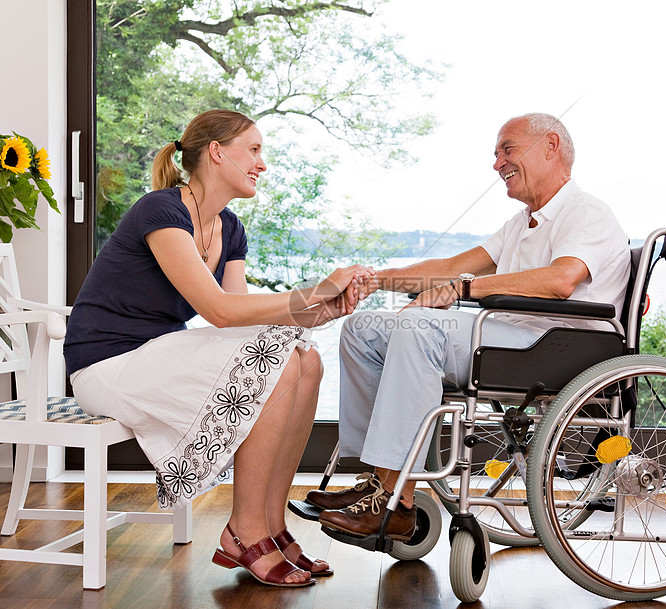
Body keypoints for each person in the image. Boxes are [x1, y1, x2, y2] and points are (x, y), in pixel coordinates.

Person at [63, 109, 372, 588]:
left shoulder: (230, 227)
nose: (262, 164)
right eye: (254, 150)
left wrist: (329, 309)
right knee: (280, 357)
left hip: (158, 353)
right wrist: (317, 288)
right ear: (216, 152)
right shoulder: (160, 211)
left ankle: (270, 526)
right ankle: (242, 531)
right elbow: (221, 310)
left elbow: (244, 317)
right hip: (108, 364)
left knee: (304, 357)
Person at [311, 113, 631, 541]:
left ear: (550, 146)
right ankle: (378, 480)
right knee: (364, 329)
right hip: (513, 338)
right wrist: (371, 280)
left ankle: (395, 497)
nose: (497, 163)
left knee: (419, 327)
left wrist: (463, 289)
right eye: (497, 153)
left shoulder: (586, 212)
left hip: (557, 347)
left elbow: (560, 280)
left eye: (507, 149)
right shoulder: (524, 222)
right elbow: (449, 267)